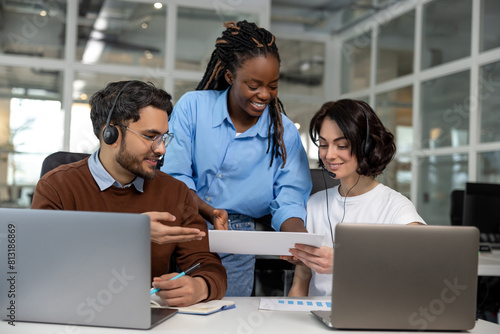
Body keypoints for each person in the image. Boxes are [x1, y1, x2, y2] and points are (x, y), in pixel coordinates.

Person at [31, 80, 227, 306]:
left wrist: (200, 286)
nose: (161, 148)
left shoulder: (175, 192)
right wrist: (129, 232)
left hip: (145, 317)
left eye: (164, 137)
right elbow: (39, 264)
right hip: (71, 311)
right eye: (150, 136)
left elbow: (209, 266)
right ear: (110, 134)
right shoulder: (57, 186)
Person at [161, 21, 312, 296]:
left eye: (273, 86)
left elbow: (289, 198)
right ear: (230, 77)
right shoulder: (193, 107)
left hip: (237, 230)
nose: (264, 95)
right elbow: (175, 177)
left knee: (225, 312)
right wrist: (208, 212)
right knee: (170, 305)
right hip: (182, 217)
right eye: (253, 85)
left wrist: (296, 238)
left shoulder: (284, 133)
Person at [285, 99, 425, 297]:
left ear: (367, 146)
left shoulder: (395, 207)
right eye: (324, 145)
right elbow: (301, 282)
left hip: (372, 320)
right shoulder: (314, 204)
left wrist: (345, 262)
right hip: (316, 321)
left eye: (341, 145)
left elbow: (422, 263)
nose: (329, 155)